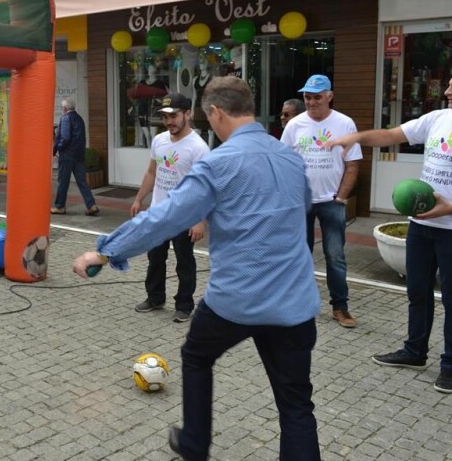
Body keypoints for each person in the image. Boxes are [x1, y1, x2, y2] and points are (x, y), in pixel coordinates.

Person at [73, 76, 320, 460]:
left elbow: (165, 218)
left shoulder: (217, 163)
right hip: (294, 302)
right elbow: (303, 210)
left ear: (216, 112)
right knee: (296, 405)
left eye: (210, 117)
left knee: (196, 356)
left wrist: (104, 252)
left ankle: (194, 444)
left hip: (236, 300)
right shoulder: (289, 156)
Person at [324, 76, 452, 394]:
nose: (447, 91)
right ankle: (414, 352)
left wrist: (449, 208)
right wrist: (353, 137)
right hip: (422, 226)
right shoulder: (438, 118)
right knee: (417, 292)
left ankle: (450, 366)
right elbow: (391, 135)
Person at [281, 75, 362, 328]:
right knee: (299, 255)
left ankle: (340, 307)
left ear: (329, 96)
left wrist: (341, 198)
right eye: (307, 97)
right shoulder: (294, 125)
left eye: (317, 97)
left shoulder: (345, 124)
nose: (311, 102)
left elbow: (352, 164)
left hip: (331, 202)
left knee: (335, 255)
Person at [131, 92, 209, 322]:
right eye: (165, 117)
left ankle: (184, 304)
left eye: (173, 116)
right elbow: (152, 172)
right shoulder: (159, 140)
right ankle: (155, 297)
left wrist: (200, 221)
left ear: (188, 114)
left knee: (184, 263)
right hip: (158, 213)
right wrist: (139, 199)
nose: (169, 122)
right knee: (155, 258)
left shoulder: (198, 148)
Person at [52, 98, 99, 216]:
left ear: (64, 108)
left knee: (63, 181)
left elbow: (65, 137)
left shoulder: (66, 118)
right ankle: (91, 205)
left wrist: (58, 147)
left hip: (67, 155)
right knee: (82, 181)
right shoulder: (79, 118)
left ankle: (60, 206)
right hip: (79, 155)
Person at [127, 64, 167, 148]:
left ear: (156, 70)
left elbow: (165, 96)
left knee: (153, 134)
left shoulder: (160, 83)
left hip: (154, 111)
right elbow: (135, 96)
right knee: (146, 134)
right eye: (149, 67)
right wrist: (132, 107)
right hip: (142, 109)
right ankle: (148, 151)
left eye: (152, 67)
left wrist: (160, 102)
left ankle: (153, 152)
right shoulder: (142, 83)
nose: (150, 69)